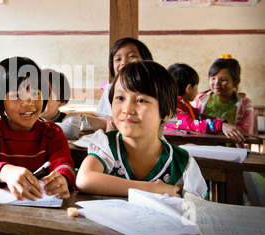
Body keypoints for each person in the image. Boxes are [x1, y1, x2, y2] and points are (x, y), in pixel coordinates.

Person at [76, 61, 207, 198]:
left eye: (141, 100)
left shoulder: (181, 163)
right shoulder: (107, 146)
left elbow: (198, 209)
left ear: (166, 112)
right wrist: (153, 189)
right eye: (120, 98)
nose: (127, 109)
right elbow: (85, 180)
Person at [0, 56, 75, 201]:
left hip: (43, 211)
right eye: (17, 95)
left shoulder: (52, 132)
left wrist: (63, 179)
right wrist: (5, 172)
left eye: (36, 93)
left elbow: (65, 165)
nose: (28, 102)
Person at [165, 63, 244, 142]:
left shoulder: (184, 104)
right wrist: (220, 125)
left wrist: (219, 121)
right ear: (189, 88)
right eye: (197, 86)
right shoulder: (173, 107)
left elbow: (198, 117)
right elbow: (192, 124)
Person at [95, 37, 153, 131]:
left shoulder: (154, 86)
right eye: (118, 59)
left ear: (146, 60)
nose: (124, 63)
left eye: (131, 56)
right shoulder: (111, 89)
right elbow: (111, 126)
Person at [192, 55, 254, 139]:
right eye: (213, 78)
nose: (216, 83)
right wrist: (221, 126)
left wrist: (222, 127)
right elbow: (192, 123)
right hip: (202, 146)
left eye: (223, 80)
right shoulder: (200, 98)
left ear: (236, 82)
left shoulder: (245, 104)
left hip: (231, 148)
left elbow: (246, 132)